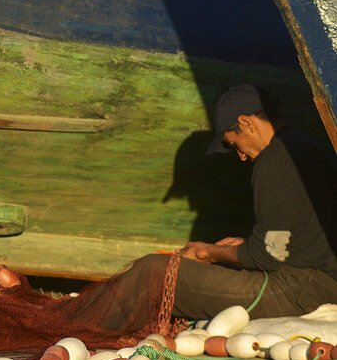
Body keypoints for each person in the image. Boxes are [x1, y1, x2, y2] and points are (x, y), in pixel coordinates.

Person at [95, 84, 337, 331]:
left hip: (301, 289)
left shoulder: (273, 162)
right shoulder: (306, 144)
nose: (241, 157)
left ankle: (87, 328)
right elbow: (290, 237)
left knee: (154, 271)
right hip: (317, 281)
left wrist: (206, 253)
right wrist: (242, 247)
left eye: (234, 145)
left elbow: (268, 255)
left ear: (246, 124)